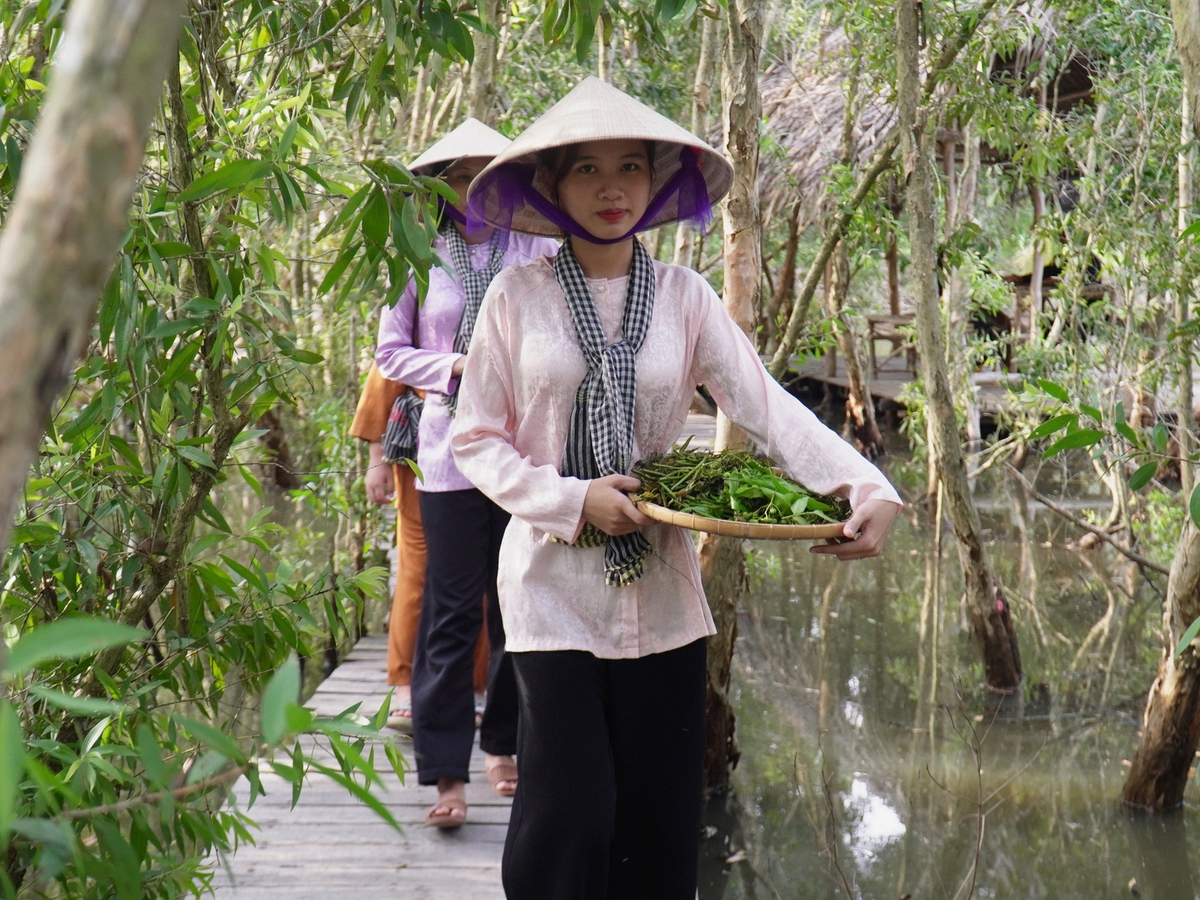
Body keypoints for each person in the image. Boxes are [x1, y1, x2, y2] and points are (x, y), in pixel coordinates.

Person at [452, 77, 902, 898]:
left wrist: (866, 485)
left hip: (659, 592)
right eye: (587, 170)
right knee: (570, 810)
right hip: (551, 586)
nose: (612, 188)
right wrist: (571, 500)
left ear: (657, 181)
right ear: (551, 186)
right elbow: (475, 438)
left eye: (630, 166)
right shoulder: (517, 298)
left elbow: (765, 406)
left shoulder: (684, 298)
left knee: (658, 822)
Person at [375, 117, 560, 829]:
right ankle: (447, 772)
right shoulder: (417, 255)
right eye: (460, 175)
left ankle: (503, 745)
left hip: (526, 451)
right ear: (440, 186)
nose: (473, 186)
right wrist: (457, 365)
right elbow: (390, 353)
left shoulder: (539, 247)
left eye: (486, 172)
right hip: (448, 453)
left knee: (518, 601)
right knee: (451, 610)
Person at [349, 363, 491, 732]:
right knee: (417, 571)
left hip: (489, 446)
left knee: (484, 572)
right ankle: (407, 686)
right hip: (422, 449)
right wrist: (377, 458)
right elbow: (389, 365)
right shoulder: (417, 319)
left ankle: (475, 686)